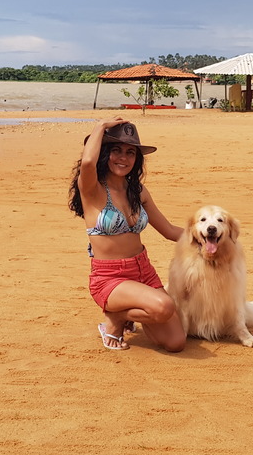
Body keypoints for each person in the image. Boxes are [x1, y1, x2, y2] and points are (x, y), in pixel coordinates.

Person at [68, 117, 185, 352]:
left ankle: (128, 314)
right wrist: (100, 126)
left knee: (176, 342)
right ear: (104, 153)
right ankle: (115, 318)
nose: (123, 158)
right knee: (163, 306)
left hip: (143, 272)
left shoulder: (138, 191)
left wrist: (210, 237)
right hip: (111, 278)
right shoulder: (92, 189)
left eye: (130, 152)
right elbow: (88, 162)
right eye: (116, 151)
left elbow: (170, 231)